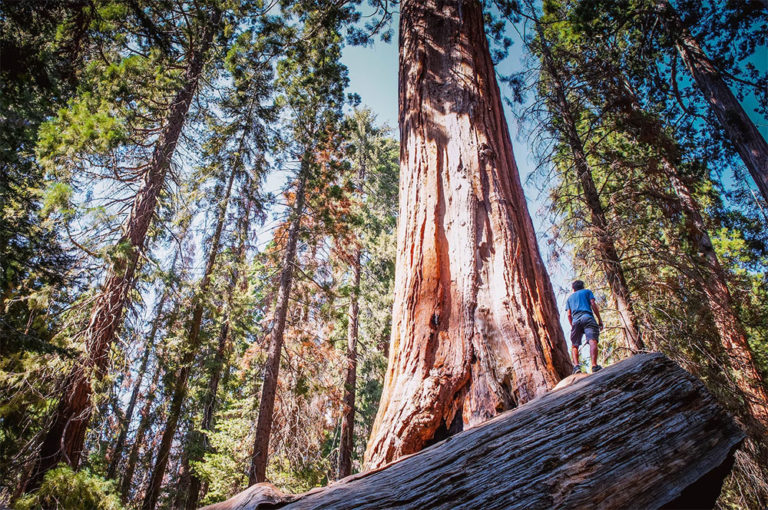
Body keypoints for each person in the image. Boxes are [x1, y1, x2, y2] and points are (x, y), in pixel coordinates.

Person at [566, 280, 604, 374]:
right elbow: (593, 304)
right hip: (587, 318)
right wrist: (599, 319)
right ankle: (594, 365)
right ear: (583, 286)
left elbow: (569, 314)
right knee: (592, 340)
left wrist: (572, 325)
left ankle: (576, 367)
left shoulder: (569, 299)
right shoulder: (587, 292)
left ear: (573, 289)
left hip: (575, 321)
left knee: (575, 344)